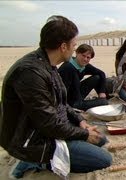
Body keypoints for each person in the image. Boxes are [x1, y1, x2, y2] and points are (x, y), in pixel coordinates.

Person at [0, 15, 112, 179]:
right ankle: (31, 161)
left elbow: (62, 103)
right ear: (63, 46)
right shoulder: (30, 73)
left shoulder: (48, 65)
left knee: (100, 140)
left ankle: (66, 149)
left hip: (47, 128)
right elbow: (50, 125)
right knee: (103, 159)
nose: (75, 49)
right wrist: (84, 134)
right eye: (74, 45)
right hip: (31, 141)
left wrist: (80, 121)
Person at [58, 44, 109, 111]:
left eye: (88, 57)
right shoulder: (68, 67)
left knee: (97, 77)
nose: (85, 59)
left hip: (76, 91)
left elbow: (101, 73)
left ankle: (103, 97)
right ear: (77, 53)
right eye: (83, 55)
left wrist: (102, 92)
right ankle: (101, 100)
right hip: (71, 102)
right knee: (104, 102)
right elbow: (62, 92)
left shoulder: (83, 65)